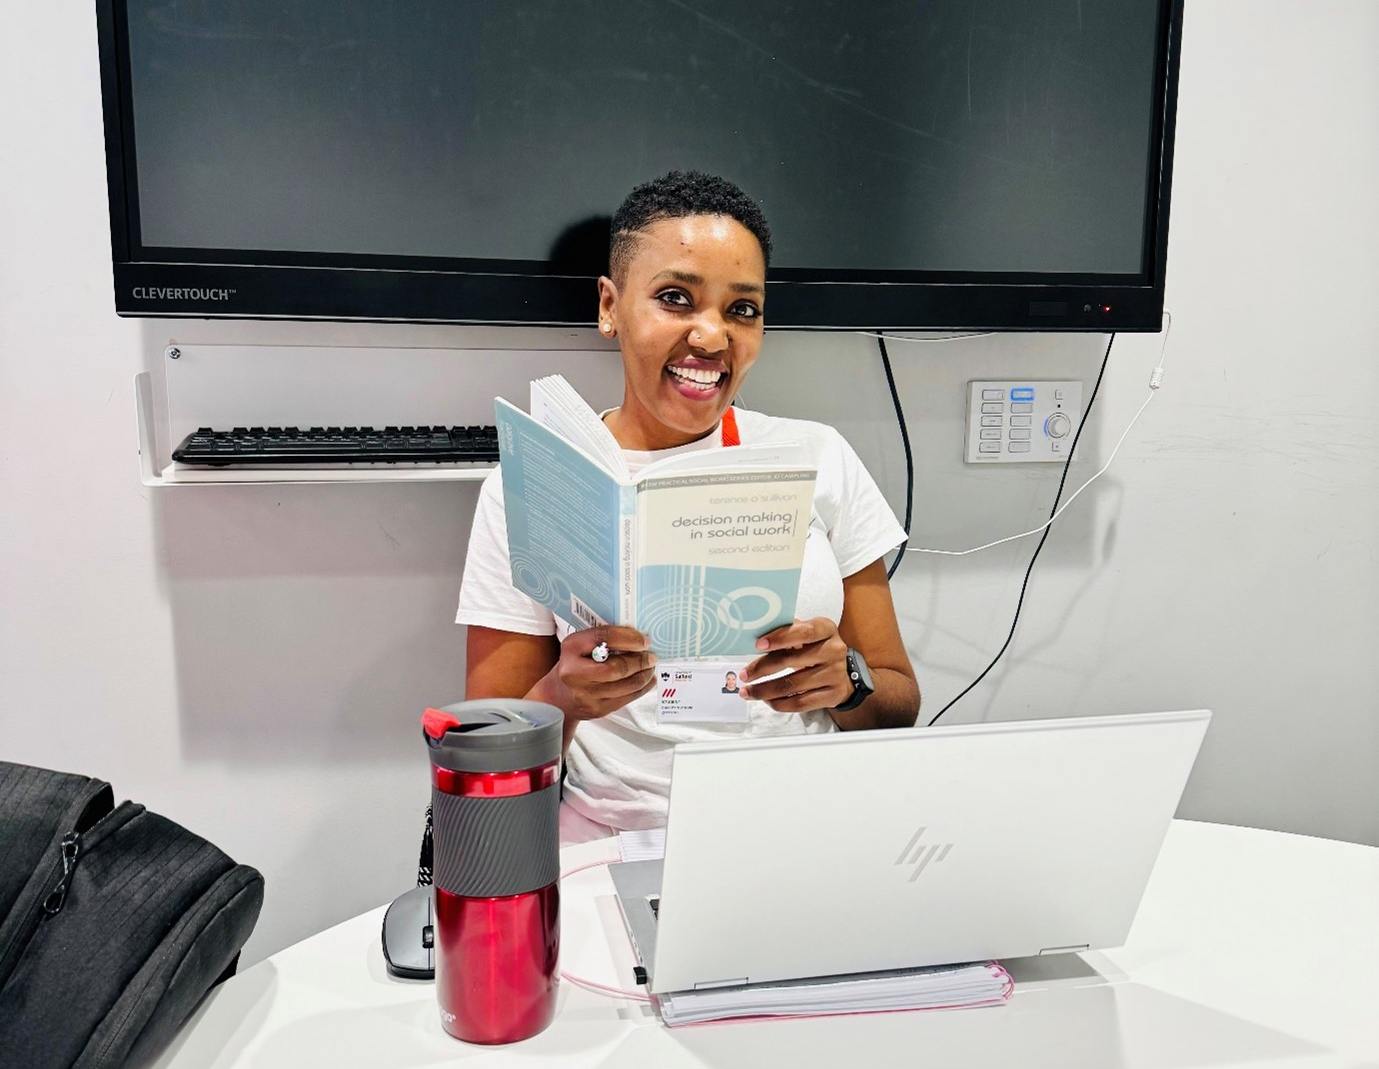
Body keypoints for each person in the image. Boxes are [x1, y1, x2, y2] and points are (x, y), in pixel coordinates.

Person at [457, 171, 920, 842]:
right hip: (621, 836)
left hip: (812, 826)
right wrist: (564, 697)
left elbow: (898, 701)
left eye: (742, 309)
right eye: (675, 298)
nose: (711, 337)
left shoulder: (817, 455)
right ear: (610, 306)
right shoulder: (534, 484)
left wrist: (844, 682)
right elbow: (484, 757)